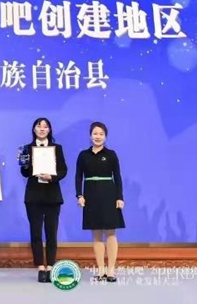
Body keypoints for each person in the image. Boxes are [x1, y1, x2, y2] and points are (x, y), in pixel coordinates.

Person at [19, 117, 68, 283]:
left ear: (49, 130)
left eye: (45, 126)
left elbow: (63, 170)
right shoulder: (27, 148)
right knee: (36, 233)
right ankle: (40, 267)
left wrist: (51, 177)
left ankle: (51, 267)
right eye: (39, 126)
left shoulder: (57, 148)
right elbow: (25, 173)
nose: (42, 129)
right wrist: (24, 164)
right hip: (33, 196)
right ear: (34, 129)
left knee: (51, 233)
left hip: (52, 196)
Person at [75, 121, 125, 283]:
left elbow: (117, 177)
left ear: (105, 136)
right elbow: (78, 177)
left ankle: (111, 270)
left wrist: (119, 197)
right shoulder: (83, 155)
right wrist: (79, 195)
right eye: (95, 133)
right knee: (96, 234)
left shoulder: (111, 154)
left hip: (109, 195)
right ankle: (101, 270)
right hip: (91, 195)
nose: (98, 136)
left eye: (101, 134)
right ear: (90, 135)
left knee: (111, 232)